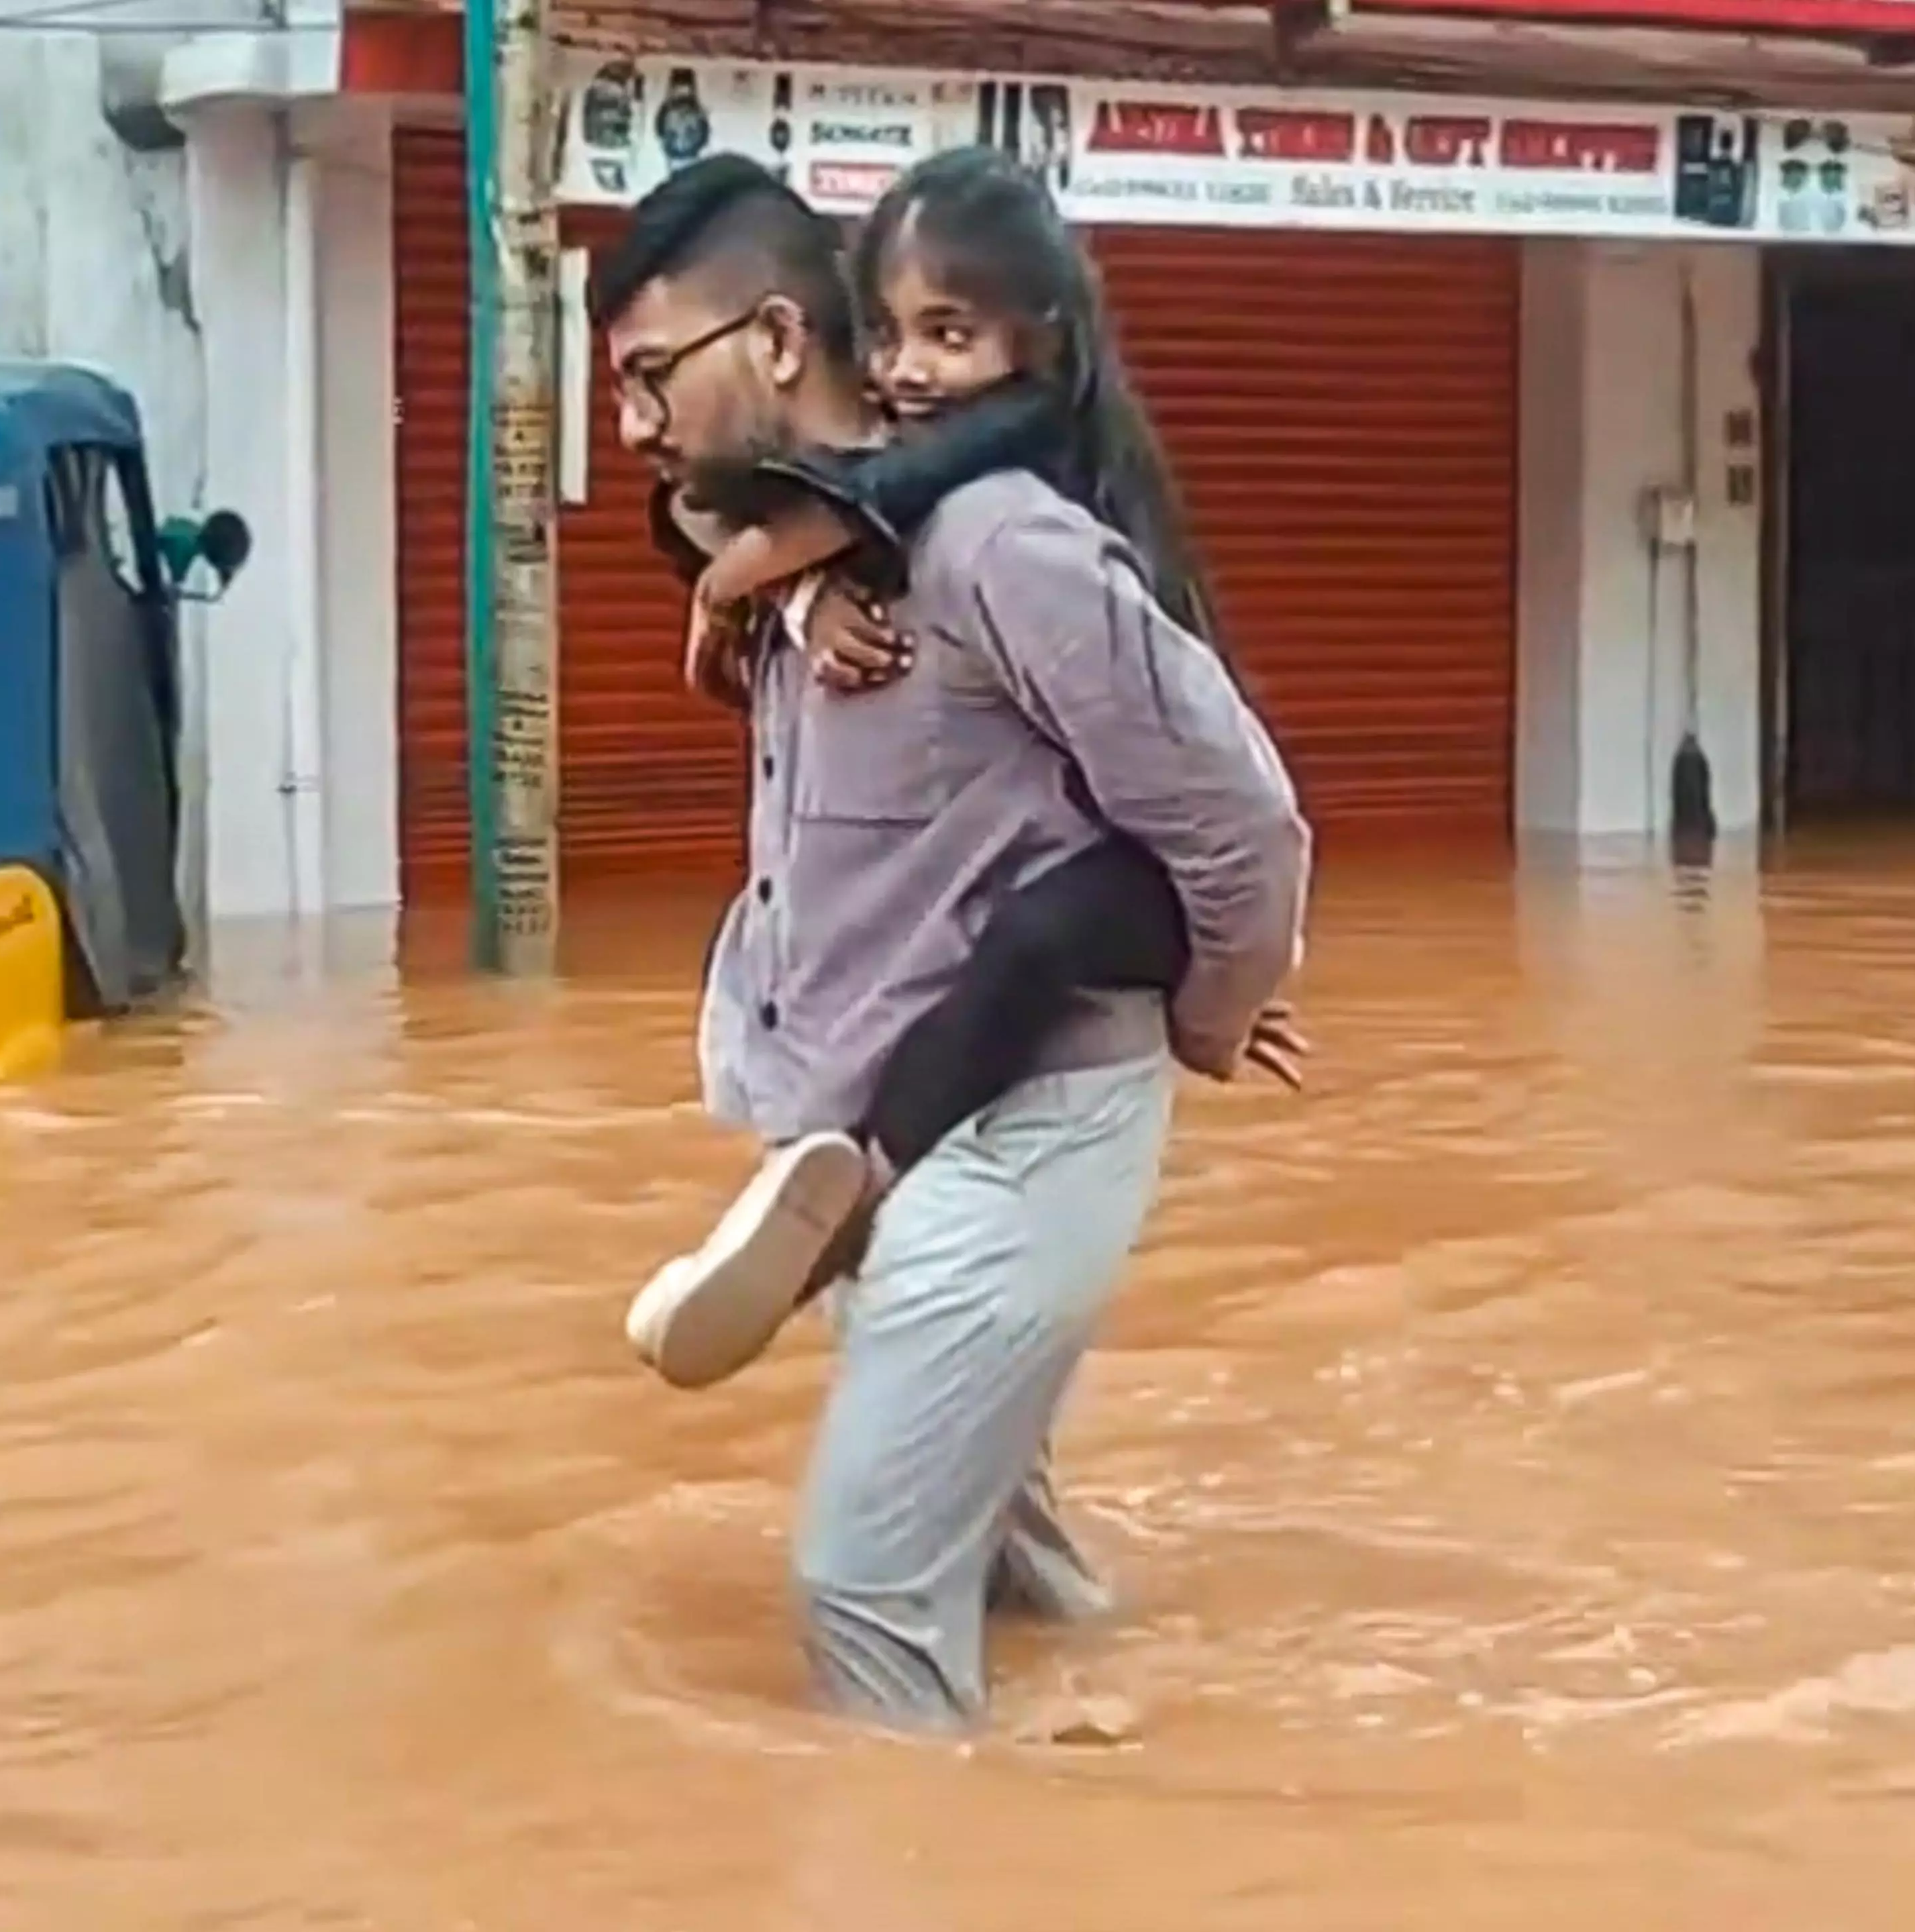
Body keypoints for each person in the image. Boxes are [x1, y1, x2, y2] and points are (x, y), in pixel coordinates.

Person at [588, 153, 1310, 1730]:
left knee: (862, 1590)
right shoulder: (795, 554)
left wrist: (1209, 1010)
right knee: (994, 1553)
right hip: (876, 1128)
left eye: (651, 377)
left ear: (777, 342)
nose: (630, 425)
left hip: (1018, 1130)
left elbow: (1242, 822)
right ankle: (1153, 1752)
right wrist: (770, 600)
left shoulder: (994, 547)